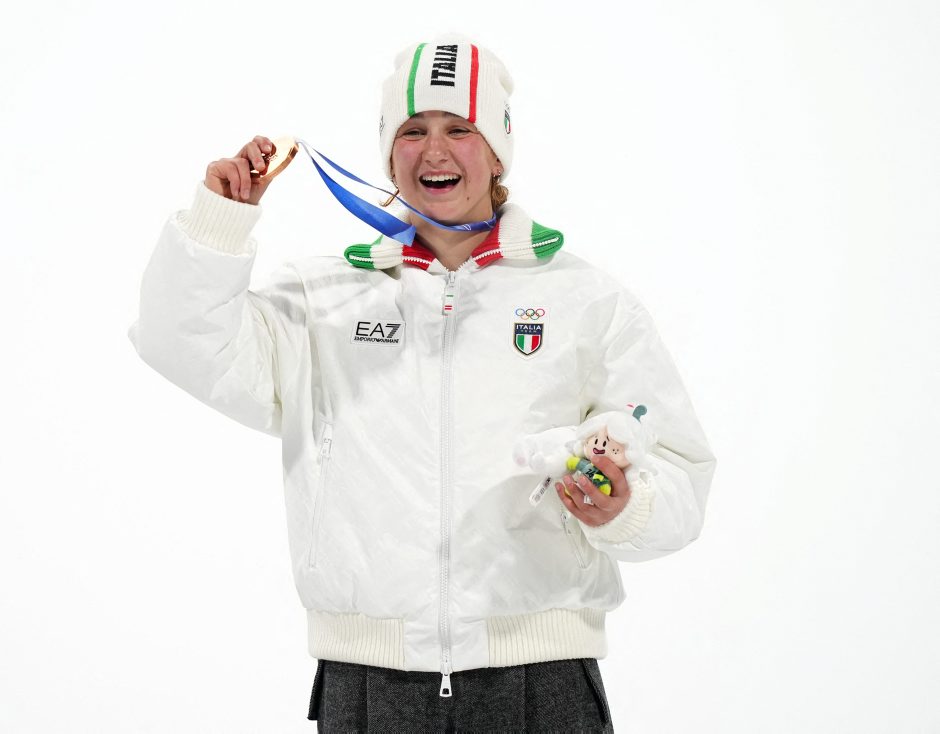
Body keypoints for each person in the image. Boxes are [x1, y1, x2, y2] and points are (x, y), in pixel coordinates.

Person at [129, 37, 716, 732]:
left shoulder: (584, 300)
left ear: (497, 151)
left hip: (543, 680)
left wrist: (625, 508)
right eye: (412, 131)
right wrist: (218, 225)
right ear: (388, 154)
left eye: (458, 128)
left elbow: (679, 473)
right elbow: (181, 341)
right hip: (368, 681)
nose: (434, 150)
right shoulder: (322, 300)